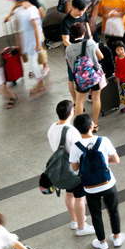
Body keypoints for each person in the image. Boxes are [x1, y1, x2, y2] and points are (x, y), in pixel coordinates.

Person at [67, 112, 125, 249]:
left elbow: (75, 168)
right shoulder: (103, 140)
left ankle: (102, 242)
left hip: (90, 187)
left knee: (96, 214)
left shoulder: (76, 147)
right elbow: (117, 159)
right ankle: (116, 238)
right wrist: (106, 161)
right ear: (91, 126)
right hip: (108, 183)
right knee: (113, 210)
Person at [48, 100, 93, 236]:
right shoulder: (71, 130)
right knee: (80, 197)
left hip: (62, 167)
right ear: (70, 113)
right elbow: (79, 149)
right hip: (74, 167)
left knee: (69, 193)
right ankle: (81, 227)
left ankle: (74, 220)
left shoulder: (51, 128)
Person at [65, 24, 105, 130]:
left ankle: (79, 127)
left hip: (80, 80)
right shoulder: (91, 43)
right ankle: (94, 124)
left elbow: (71, 65)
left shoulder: (68, 49)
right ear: (83, 33)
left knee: (79, 101)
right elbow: (101, 56)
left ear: (71, 35)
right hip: (94, 76)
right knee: (96, 98)